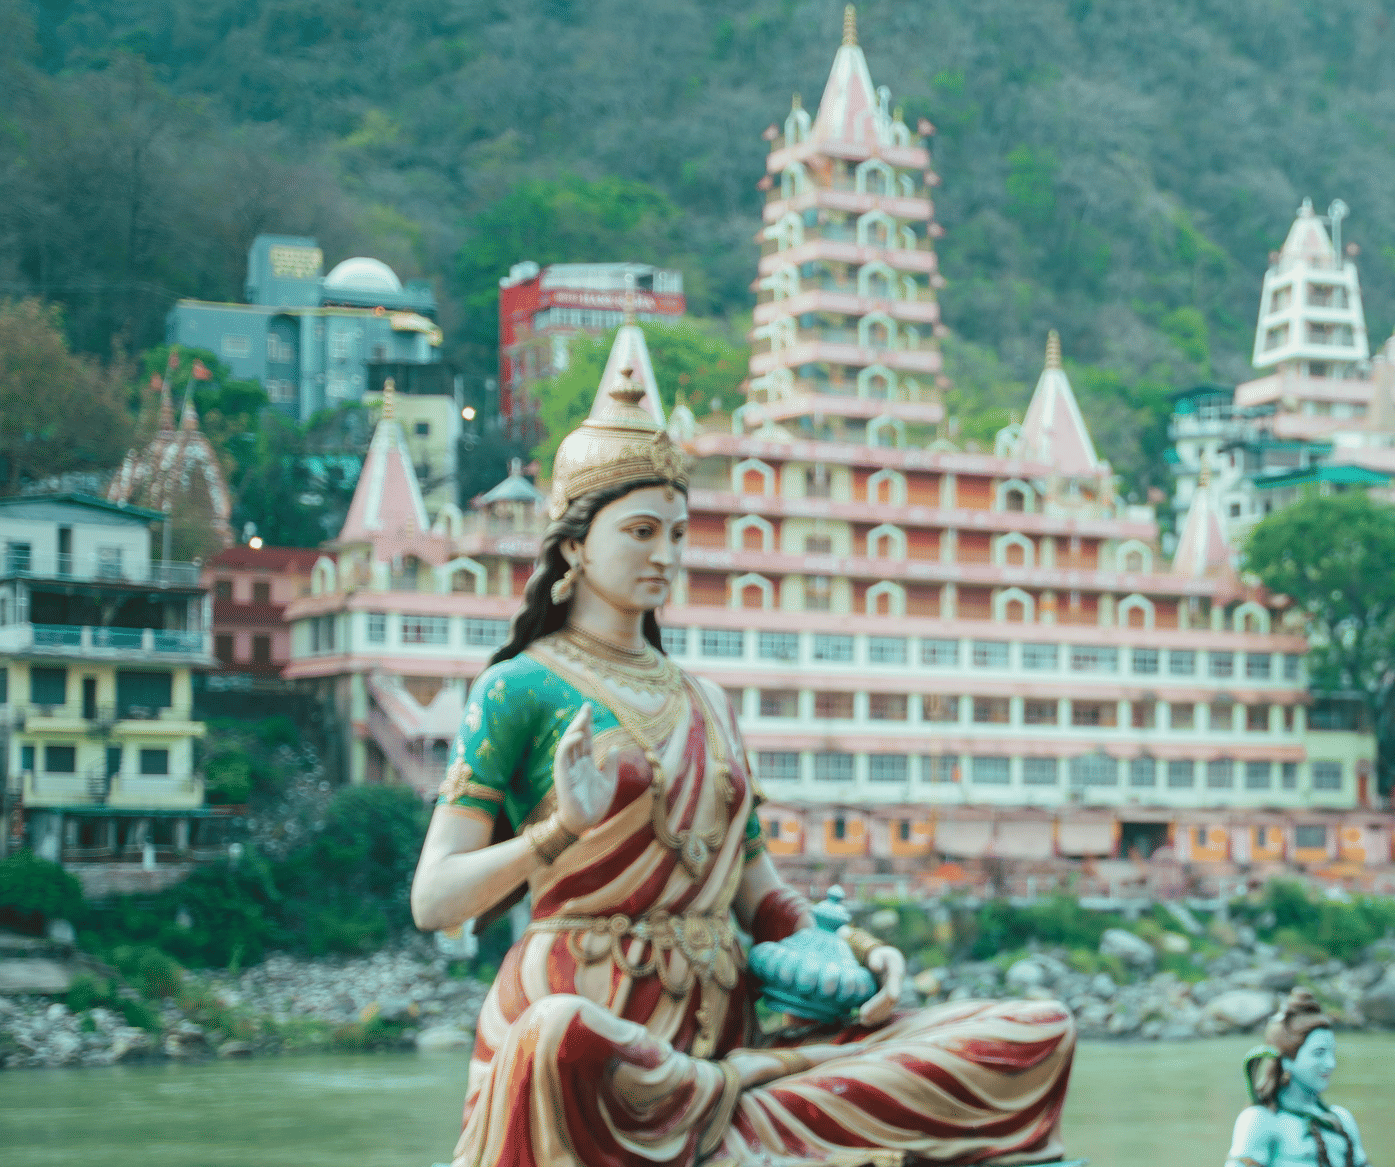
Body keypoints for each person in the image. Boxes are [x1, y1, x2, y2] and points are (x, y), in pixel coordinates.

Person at [410, 362, 1078, 1167]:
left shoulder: (709, 702)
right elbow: (434, 898)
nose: (665, 554)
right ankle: (729, 1110)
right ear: (576, 544)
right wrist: (556, 834)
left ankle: (740, 1107)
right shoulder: (517, 686)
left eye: (678, 533)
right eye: (641, 530)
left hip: (730, 1032)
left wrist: (854, 953)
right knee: (556, 1032)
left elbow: (761, 894)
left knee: (1034, 1030)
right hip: (598, 1046)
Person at [1226, 988, 1370, 1167]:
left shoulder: (1342, 1119)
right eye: (1319, 1053)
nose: (1330, 1064)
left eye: (1331, 1053)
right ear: (1286, 1059)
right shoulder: (1261, 1120)